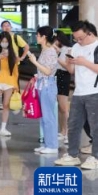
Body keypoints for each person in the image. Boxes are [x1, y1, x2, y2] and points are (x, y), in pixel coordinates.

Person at [55, 21, 98, 170]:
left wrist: (84, 62)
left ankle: (96, 157)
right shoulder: (75, 47)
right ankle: (72, 155)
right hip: (79, 92)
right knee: (73, 125)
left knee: (95, 127)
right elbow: (72, 70)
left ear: (90, 33)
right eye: (76, 39)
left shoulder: (96, 47)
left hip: (95, 92)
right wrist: (68, 62)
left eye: (80, 38)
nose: (78, 41)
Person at [26, 26, 59, 154]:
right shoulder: (45, 50)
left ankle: (52, 145)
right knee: (44, 116)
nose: (36, 37)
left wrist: (34, 62)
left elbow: (48, 71)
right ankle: (47, 143)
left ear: (44, 37)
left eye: (38, 35)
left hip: (47, 86)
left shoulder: (50, 51)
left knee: (48, 116)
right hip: (42, 85)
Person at [54, 31, 73, 143]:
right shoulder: (59, 50)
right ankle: (62, 130)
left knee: (64, 107)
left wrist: (57, 57)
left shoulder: (68, 49)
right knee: (59, 108)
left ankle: (67, 132)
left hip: (63, 76)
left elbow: (67, 67)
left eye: (56, 39)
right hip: (56, 75)